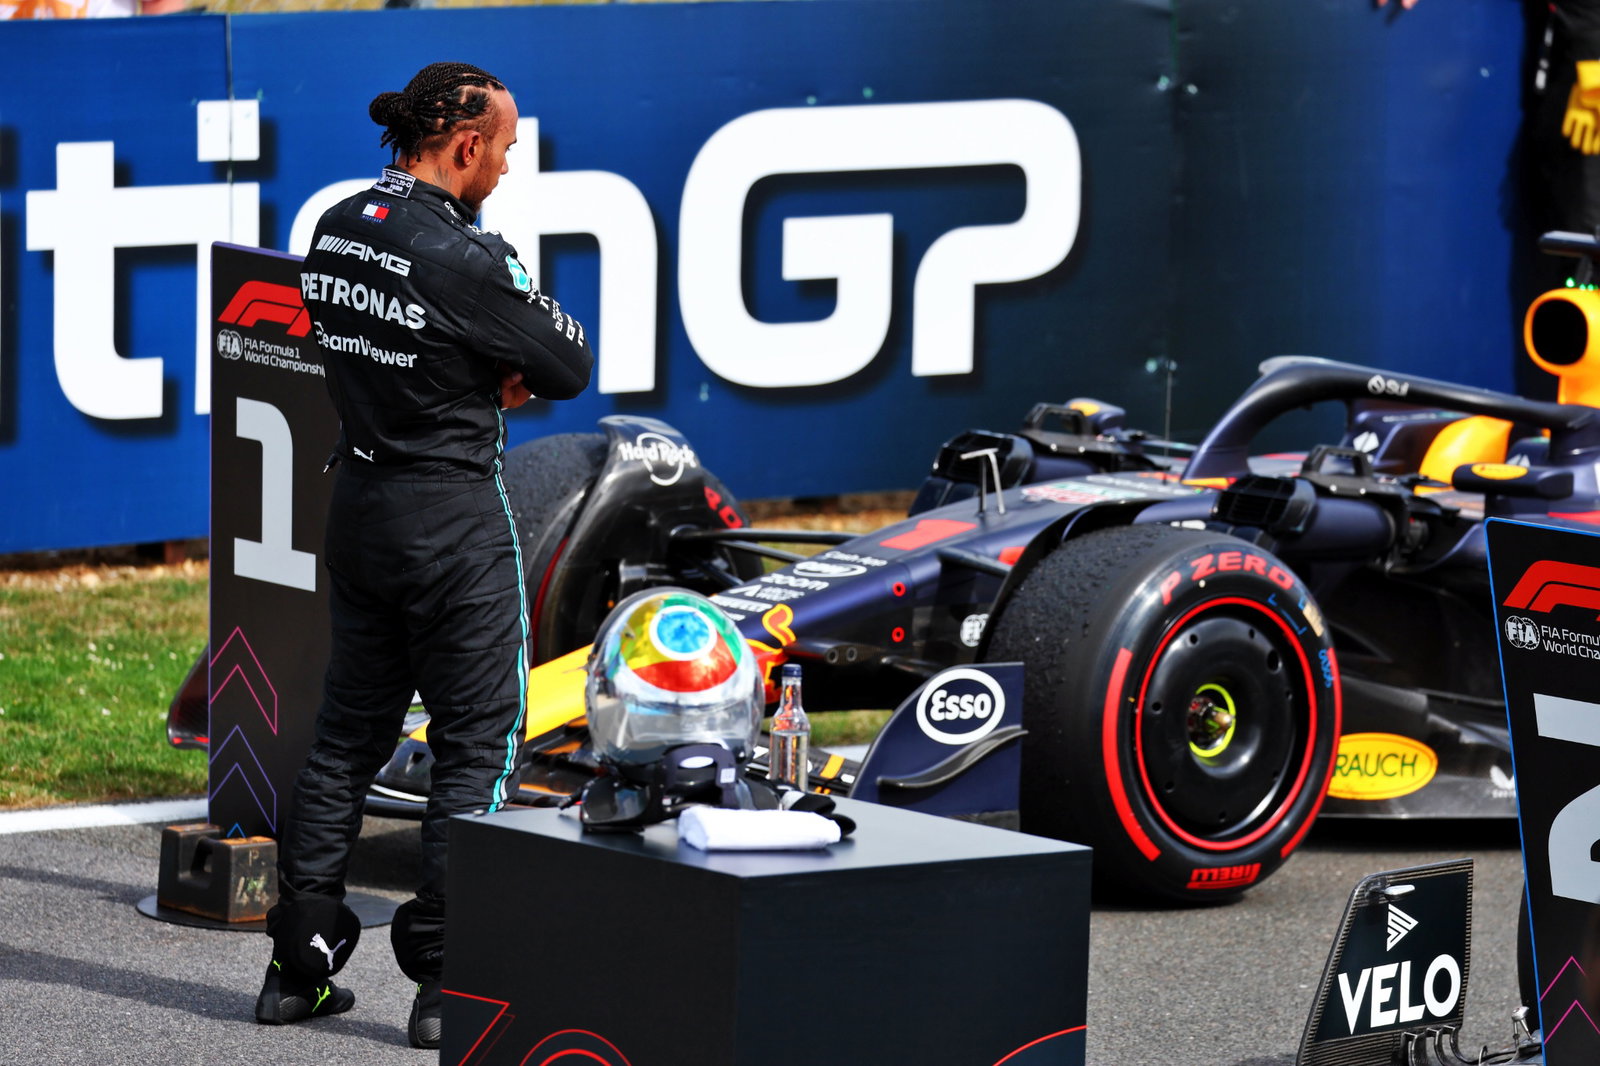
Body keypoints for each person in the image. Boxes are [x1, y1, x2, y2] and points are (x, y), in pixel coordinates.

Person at [253, 61, 593, 1050]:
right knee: (476, 752)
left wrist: (461, 364)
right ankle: (448, 986)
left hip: (357, 509)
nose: (508, 167)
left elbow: (358, 337)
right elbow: (568, 361)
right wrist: (488, 370)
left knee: (344, 743)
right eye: (506, 149)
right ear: (464, 145)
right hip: (451, 524)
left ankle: (294, 970)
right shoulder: (469, 257)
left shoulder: (333, 225)